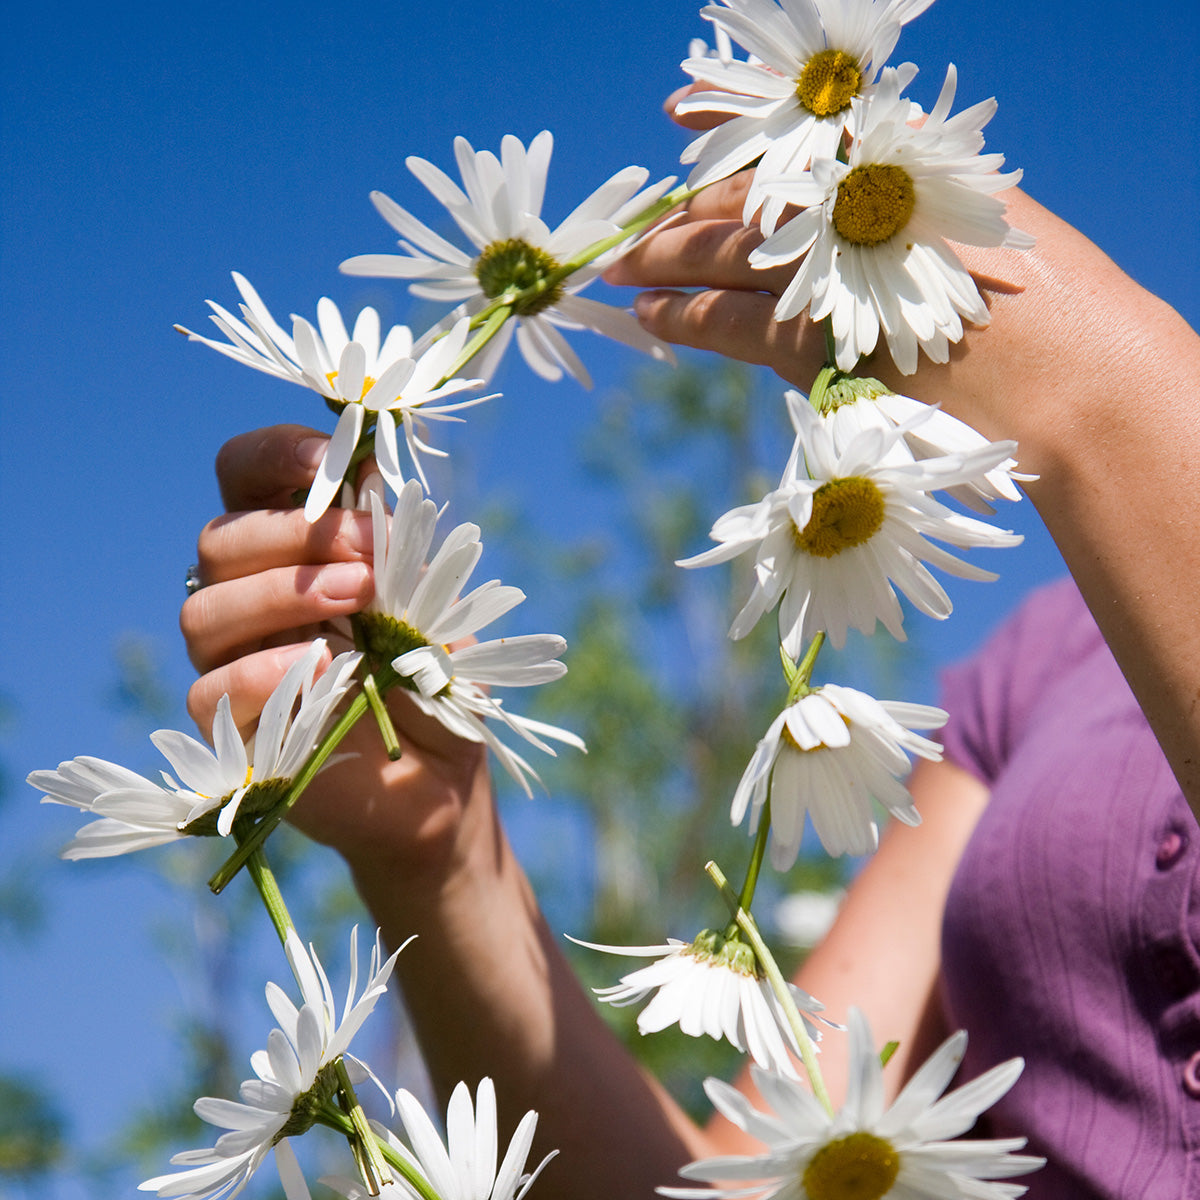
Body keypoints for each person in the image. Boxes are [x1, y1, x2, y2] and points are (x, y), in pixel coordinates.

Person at [180, 86, 1200, 1197]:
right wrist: (442, 858)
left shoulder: (1119, 441)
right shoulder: (1038, 677)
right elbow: (740, 1189)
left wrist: (1113, 395)